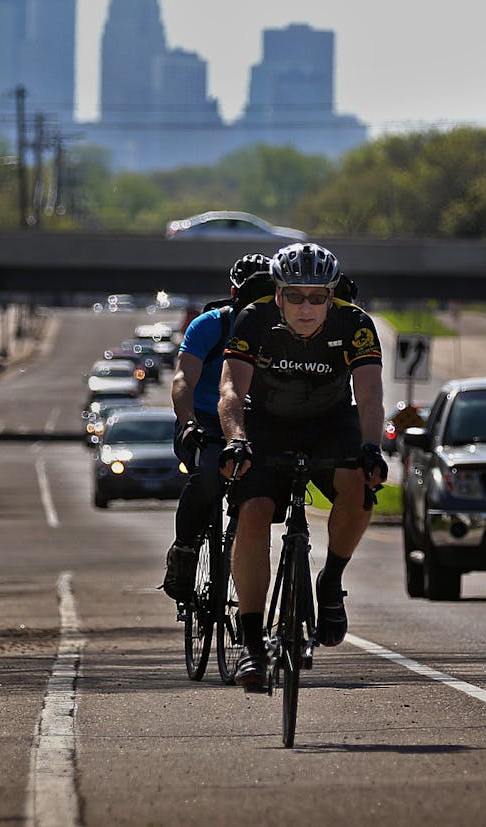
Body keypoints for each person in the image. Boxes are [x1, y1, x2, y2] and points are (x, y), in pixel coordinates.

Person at [216, 242, 386, 691]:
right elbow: (231, 389)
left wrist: (371, 448)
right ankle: (252, 645)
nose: (306, 307)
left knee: (358, 483)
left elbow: (369, 396)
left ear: (332, 297)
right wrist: (236, 440)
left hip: (332, 422)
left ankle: (331, 581)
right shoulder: (252, 319)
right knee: (252, 513)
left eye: (317, 297)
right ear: (278, 295)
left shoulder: (356, 324)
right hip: (268, 423)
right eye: (295, 296)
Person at [160, 253, 275, 601]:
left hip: (255, 420)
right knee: (209, 475)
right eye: (250, 293)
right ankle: (184, 551)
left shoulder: (280, 330)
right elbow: (183, 379)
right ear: (233, 291)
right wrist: (188, 422)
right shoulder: (210, 324)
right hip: (205, 420)